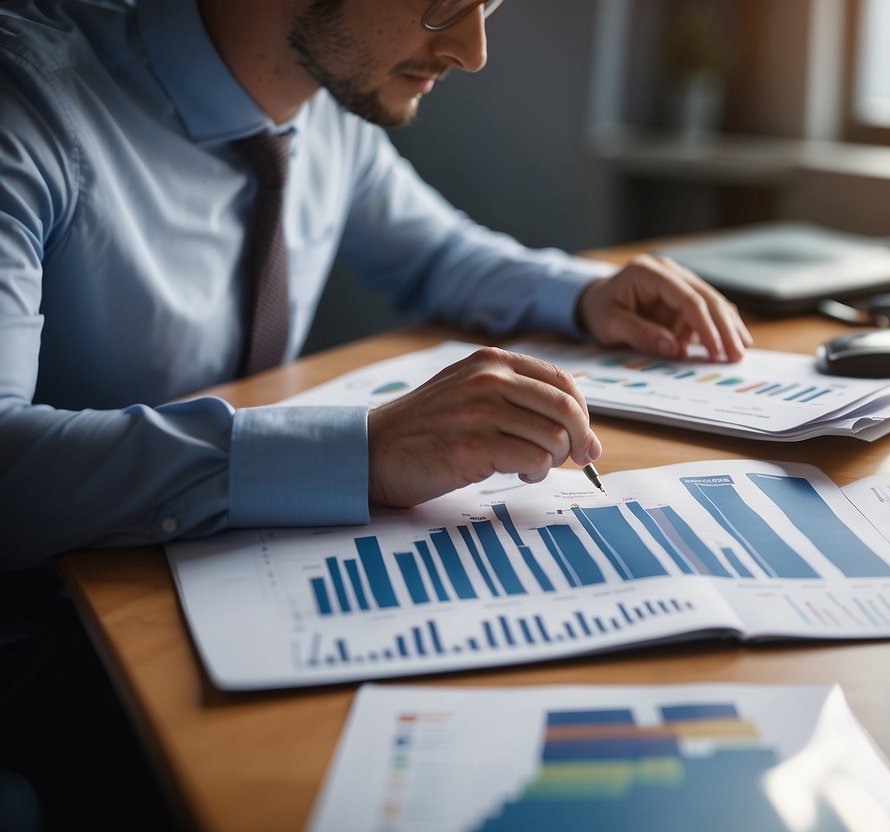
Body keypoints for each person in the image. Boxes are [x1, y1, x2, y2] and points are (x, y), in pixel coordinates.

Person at [0, 0, 750, 827]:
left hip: (220, 583)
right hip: (46, 632)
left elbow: (436, 254)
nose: (472, 50)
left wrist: (585, 293)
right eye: (442, 6)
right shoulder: (26, 107)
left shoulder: (322, 100)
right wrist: (360, 453)